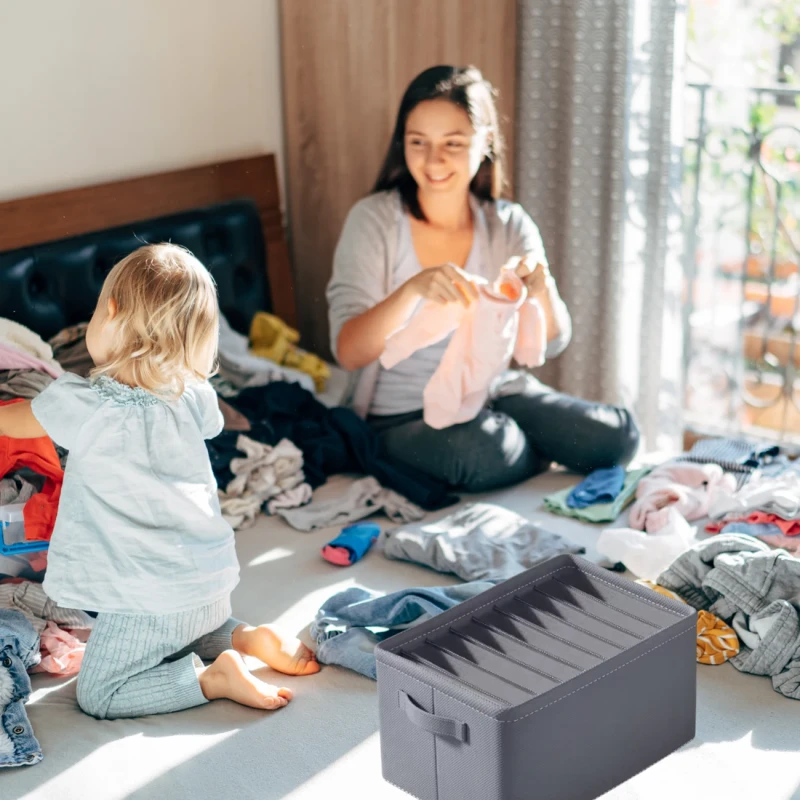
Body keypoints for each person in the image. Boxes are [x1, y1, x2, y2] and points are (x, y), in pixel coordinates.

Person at [0, 244, 320, 720]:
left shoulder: (82, 404)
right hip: (209, 585)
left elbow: (14, 421)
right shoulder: (194, 396)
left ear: (109, 312)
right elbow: (210, 421)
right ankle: (245, 637)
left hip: (147, 599)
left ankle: (211, 678)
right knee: (183, 630)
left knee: (100, 693)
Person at [326, 65, 640, 493]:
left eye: (452, 144)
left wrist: (541, 289)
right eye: (418, 142)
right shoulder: (374, 221)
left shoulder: (508, 224)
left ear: (485, 142)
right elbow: (348, 351)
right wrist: (412, 290)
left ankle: (518, 440)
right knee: (477, 455)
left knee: (617, 437)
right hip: (400, 416)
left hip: (493, 394)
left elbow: (551, 342)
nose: (433, 160)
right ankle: (524, 444)